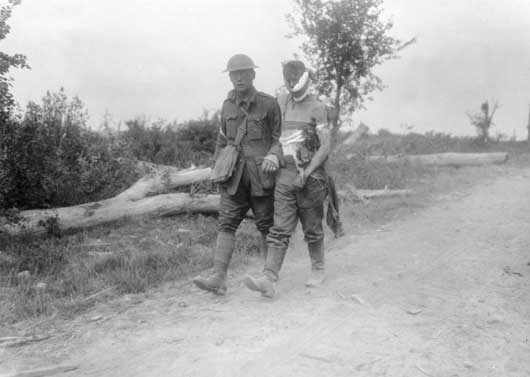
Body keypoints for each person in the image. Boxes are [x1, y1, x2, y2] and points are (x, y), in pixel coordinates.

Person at [243, 59, 335, 298]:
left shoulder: (317, 107)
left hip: (310, 174)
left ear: (305, 78)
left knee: (312, 226)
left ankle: (318, 268)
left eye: (296, 79)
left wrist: (309, 171)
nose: (292, 84)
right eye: (288, 79)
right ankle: (269, 278)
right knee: (280, 228)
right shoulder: (281, 102)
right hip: (284, 172)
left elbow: (325, 146)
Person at [193, 54, 282, 295]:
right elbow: (222, 140)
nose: (239, 77)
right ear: (230, 77)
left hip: (261, 176)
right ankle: (218, 277)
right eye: (235, 74)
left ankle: (268, 280)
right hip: (234, 178)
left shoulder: (269, 104)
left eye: (244, 73)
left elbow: (279, 139)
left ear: (253, 75)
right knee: (226, 223)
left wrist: (274, 155)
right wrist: (217, 171)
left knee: (266, 225)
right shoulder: (227, 105)